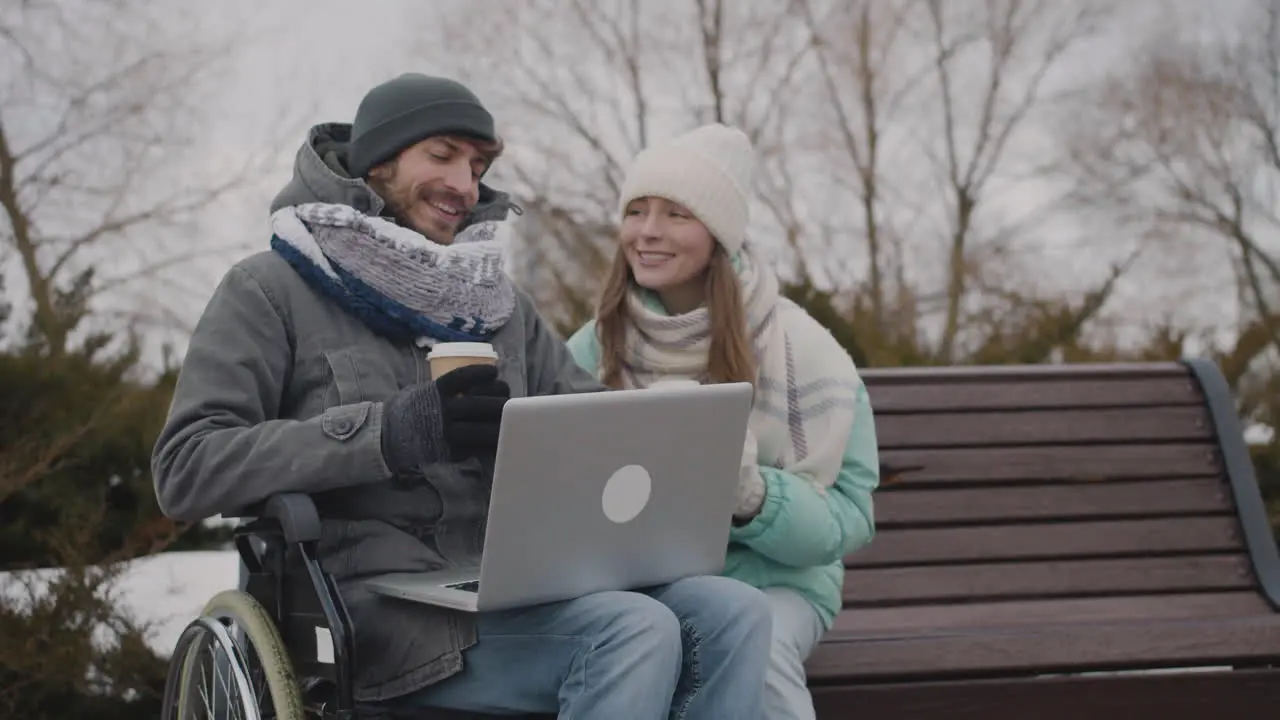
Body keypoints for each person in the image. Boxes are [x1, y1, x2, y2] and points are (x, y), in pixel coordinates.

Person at [151, 74, 773, 718]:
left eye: (477, 166)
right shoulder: (271, 289)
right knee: (629, 631)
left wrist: (657, 445)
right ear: (378, 160)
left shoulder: (501, 310)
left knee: (734, 613)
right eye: (442, 155)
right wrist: (388, 434)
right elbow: (187, 468)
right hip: (370, 610)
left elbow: (594, 431)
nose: (464, 185)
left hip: (510, 584)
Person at [564, 123, 880, 720]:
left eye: (676, 214)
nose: (648, 232)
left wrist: (753, 497)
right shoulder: (595, 347)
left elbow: (850, 519)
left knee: (751, 646)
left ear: (718, 235)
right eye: (636, 211)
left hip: (775, 586)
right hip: (634, 591)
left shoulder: (806, 352)